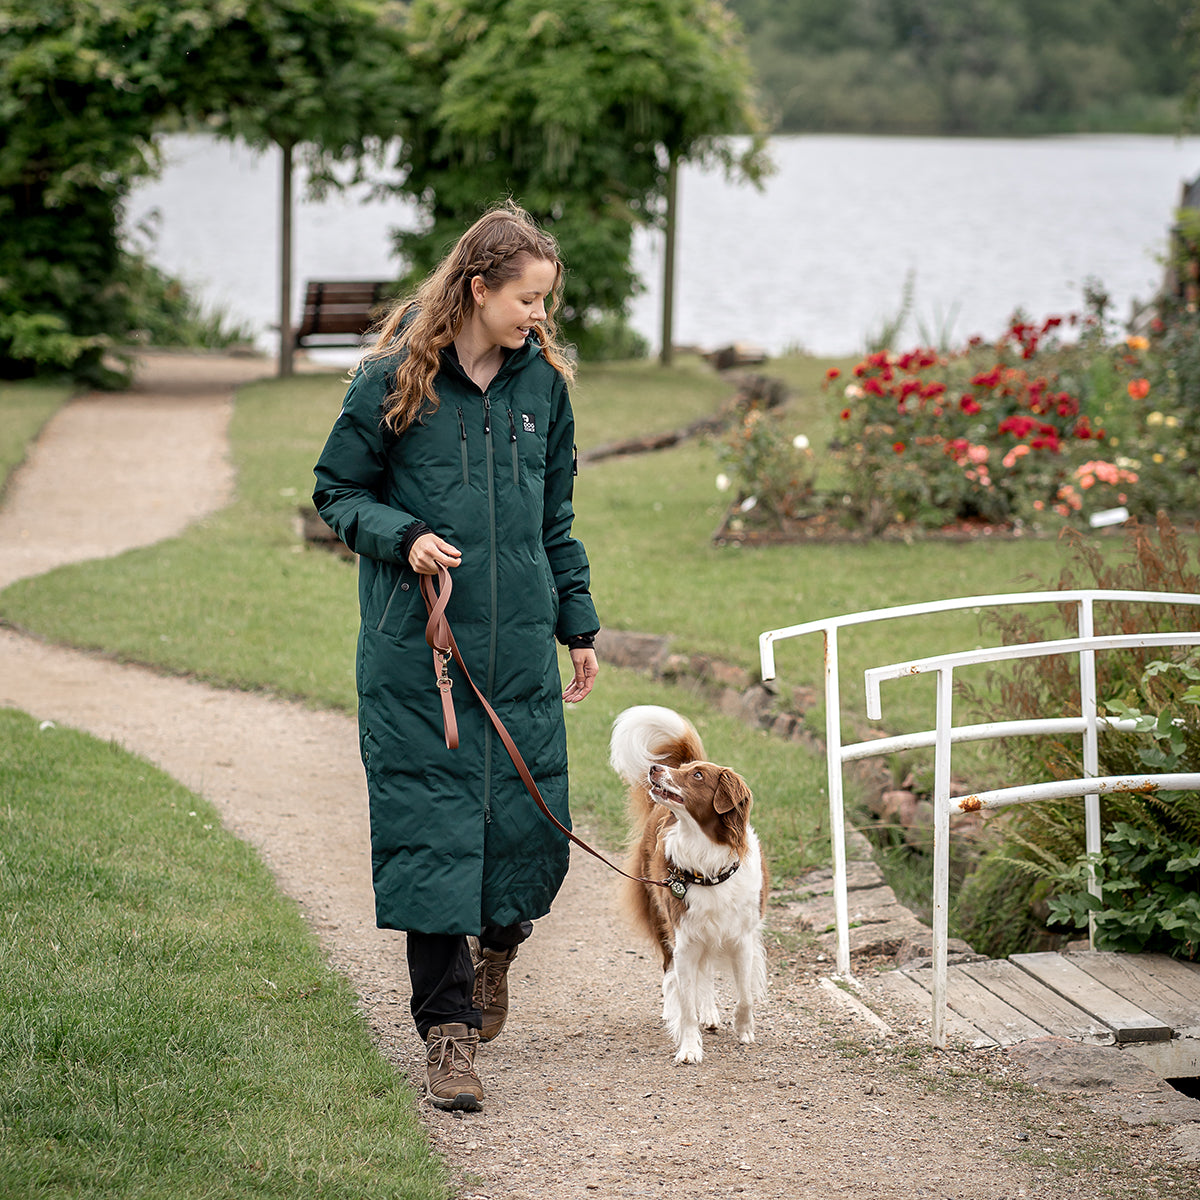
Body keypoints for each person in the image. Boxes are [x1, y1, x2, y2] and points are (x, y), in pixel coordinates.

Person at [312, 201, 599, 1112]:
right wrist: (404, 537)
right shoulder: (392, 381)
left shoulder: (541, 388)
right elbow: (337, 491)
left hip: (518, 655)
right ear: (478, 288)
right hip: (419, 656)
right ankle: (447, 1036)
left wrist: (578, 625)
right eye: (527, 299)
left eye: (545, 300)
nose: (539, 317)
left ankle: (498, 949)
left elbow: (555, 519)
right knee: (432, 834)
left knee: (523, 824)